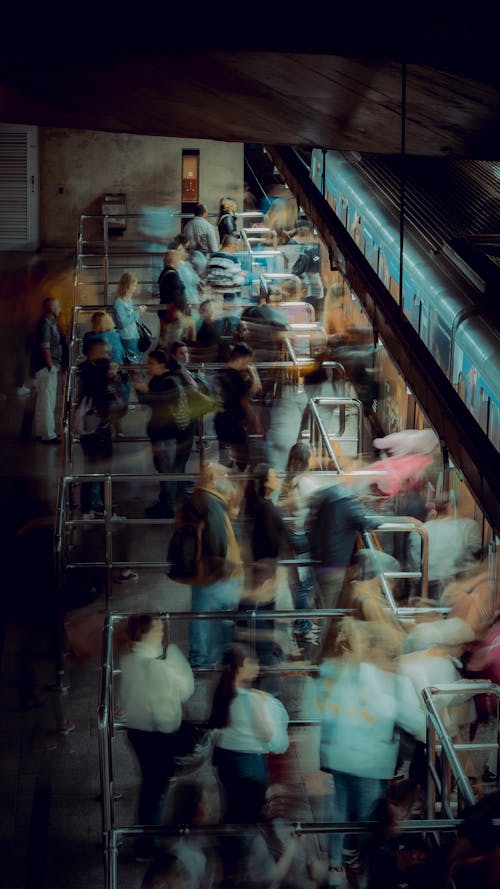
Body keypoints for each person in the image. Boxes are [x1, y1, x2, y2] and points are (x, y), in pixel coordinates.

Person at [312, 618, 425, 888]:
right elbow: (416, 722)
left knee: (339, 808)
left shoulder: (350, 672)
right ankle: (366, 870)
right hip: (369, 763)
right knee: (368, 819)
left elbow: (331, 710)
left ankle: (336, 866)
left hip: (340, 756)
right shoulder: (393, 682)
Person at [120, 614, 194, 861]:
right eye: (158, 629)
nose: (162, 632)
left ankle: (146, 839)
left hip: (135, 732)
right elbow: (181, 696)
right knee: (155, 791)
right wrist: (175, 661)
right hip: (156, 737)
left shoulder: (129, 659)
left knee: (150, 787)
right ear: (146, 633)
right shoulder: (157, 666)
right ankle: (147, 844)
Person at [134, 345, 213, 518]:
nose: (148, 366)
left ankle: (166, 506)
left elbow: (160, 402)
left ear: (163, 365)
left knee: (168, 470)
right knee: (170, 469)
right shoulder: (159, 379)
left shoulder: (169, 381)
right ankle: (169, 499)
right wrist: (142, 391)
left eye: (152, 363)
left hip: (171, 435)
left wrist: (144, 391)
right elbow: (150, 403)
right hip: (173, 434)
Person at [186, 462, 244, 668]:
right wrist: (224, 568)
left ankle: (206, 656)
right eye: (223, 476)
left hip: (202, 571)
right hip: (214, 573)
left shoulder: (198, 498)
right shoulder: (211, 504)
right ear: (212, 479)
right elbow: (218, 540)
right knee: (211, 616)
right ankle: (205, 658)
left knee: (204, 615)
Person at [77, 339, 129, 518]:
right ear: (93, 353)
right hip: (98, 428)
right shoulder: (94, 373)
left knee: (92, 470)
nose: (107, 356)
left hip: (92, 428)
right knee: (103, 471)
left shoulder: (85, 369)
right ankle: (101, 510)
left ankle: (91, 507)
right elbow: (104, 395)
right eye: (104, 352)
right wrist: (111, 376)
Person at [278, 441, 321, 643]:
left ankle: (302, 622)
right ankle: (301, 626)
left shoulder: (291, 479)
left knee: (300, 583)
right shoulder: (305, 483)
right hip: (303, 538)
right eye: (311, 455)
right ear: (305, 460)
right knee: (304, 585)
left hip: (294, 534)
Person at [408, 495, 482, 599]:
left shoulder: (420, 531)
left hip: (426, 587)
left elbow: (415, 564)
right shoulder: (468, 526)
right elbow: (473, 557)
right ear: (451, 508)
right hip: (456, 586)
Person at [213, 343, 262, 471]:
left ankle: (224, 485)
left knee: (224, 460)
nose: (248, 365)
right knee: (242, 460)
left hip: (220, 421)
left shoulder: (221, 373)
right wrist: (254, 374)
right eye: (248, 361)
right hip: (234, 424)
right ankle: (236, 485)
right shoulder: (235, 377)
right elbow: (247, 398)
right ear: (241, 358)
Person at [33, 296, 65, 443]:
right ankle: (48, 434)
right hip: (47, 367)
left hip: (44, 367)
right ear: (51, 308)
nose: (60, 309)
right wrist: (51, 366)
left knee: (43, 400)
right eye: (58, 306)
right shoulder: (46, 324)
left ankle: (40, 432)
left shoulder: (49, 322)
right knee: (48, 401)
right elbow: (45, 348)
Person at [112, 272, 147, 363]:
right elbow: (122, 323)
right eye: (133, 285)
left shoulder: (128, 300)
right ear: (127, 286)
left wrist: (138, 312)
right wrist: (137, 312)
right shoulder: (119, 302)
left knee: (135, 362)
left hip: (133, 335)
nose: (135, 288)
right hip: (126, 337)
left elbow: (131, 318)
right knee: (134, 363)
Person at [158, 250, 190, 344]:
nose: (180, 263)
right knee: (174, 340)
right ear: (173, 261)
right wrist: (181, 309)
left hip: (165, 312)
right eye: (178, 260)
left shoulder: (164, 273)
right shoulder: (173, 275)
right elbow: (177, 295)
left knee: (167, 338)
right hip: (173, 313)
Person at [205, 234, 247, 301]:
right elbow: (237, 281)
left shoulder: (211, 257)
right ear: (232, 245)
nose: (236, 249)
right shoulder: (232, 259)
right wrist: (243, 276)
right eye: (236, 246)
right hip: (229, 297)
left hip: (214, 297)